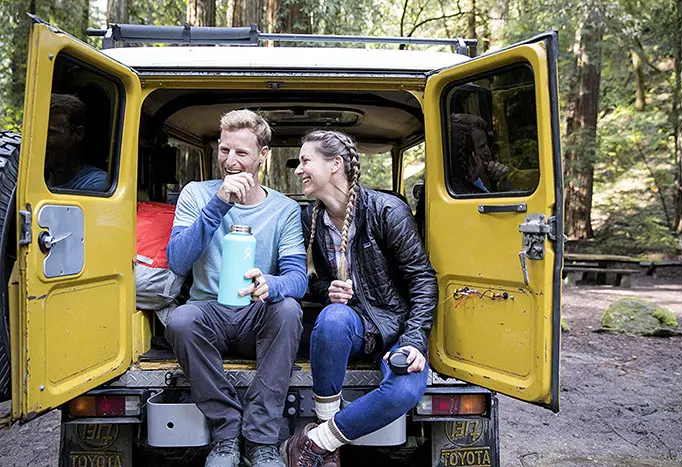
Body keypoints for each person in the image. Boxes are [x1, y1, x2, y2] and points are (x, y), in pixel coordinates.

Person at [283, 130, 438, 466]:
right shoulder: (310, 218)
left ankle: (316, 442)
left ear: (335, 164)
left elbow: (422, 280)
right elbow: (316, 282)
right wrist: (328, 290)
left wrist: (414, 339)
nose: (298, 169)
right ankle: (328, 446)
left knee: (404, 392)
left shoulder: (386, 211)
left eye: (306, 161)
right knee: (332, 318)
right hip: (351, 328)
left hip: (396, 328)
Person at [165, 109, 307, 467]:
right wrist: (219, 204)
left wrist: (271, 284)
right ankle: (226, 434)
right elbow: (177, 261)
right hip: (209, 313)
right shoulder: (197, 194)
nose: (230, 161)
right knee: (180, 320)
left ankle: (261, 439)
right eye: (225, 150)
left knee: (288, 309)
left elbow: (298, 278)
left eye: (241, 152)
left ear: (263, 155)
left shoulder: (285, 209)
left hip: (255, 315)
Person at [44, 93, 110, 191]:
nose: (43, 141)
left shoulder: (96, 184)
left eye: (50, 133)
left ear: (77, 134)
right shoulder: (42, 177)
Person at [449, 113, 509, 194]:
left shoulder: (475, 180)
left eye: (486, 145)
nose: (487, 152)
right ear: (467, 152)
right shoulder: (453, 190)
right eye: (482, 146)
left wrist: (498, 183)